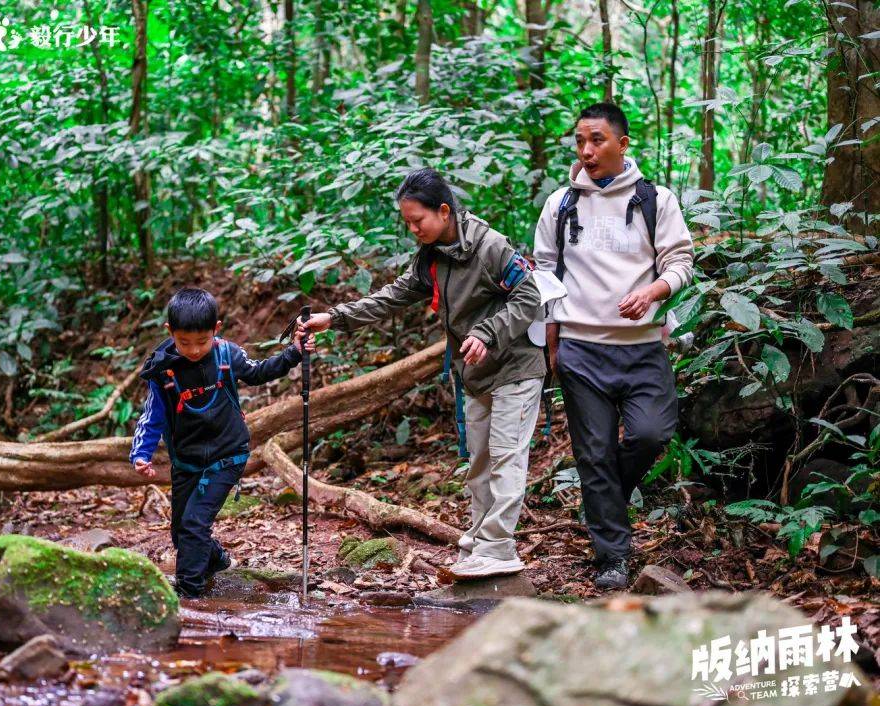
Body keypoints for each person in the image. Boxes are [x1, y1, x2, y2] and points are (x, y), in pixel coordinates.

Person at [300, 168, 544, 579]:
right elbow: (391, 297)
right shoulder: (431, 258)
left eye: (419, 220)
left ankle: (500, 547)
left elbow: (529, 294)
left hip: (515, 367)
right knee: (479, 463)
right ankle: (480, 541)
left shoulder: (489, 247)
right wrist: (334, 318)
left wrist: (488, 332)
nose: (413, 229)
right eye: (407, 222)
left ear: (444, 211)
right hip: (475, 372)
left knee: (506, 458)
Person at [532, 102, 694, 590]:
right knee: (594, 453)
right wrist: (550, 345)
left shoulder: (655, 200)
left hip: (644, 347)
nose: (586, 151)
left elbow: (681, 261)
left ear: (623, 145)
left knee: (650, 435)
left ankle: (602, 504)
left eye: (597, 140)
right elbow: (545, 274)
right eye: (580, 141)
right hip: (581, 349)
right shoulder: (560, 204)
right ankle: (612, 558)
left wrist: (652, 291)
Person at [129, 288, 314, 598]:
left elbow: (258, 373)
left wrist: (293, 352)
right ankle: (216, 559)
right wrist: (141, 454)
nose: (193, 350)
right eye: (183, 342)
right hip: (186, 461)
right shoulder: (162, 370)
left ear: (216, 329)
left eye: (202, 342)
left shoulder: (228, 354)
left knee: (193, 526)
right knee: (181, 532)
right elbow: (153, 415)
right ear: (170, 332)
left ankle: (190, 596)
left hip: (227, 455)